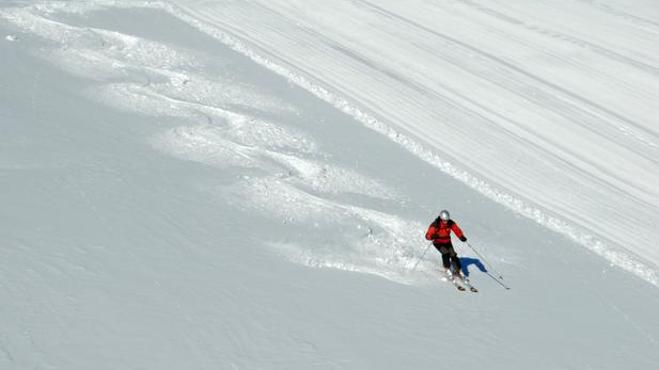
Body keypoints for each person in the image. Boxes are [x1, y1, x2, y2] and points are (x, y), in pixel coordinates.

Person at [425, 210, 467, 277]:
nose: (446, 222)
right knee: (445, 253)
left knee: (453, 254)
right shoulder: (435, 224)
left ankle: (458, 269)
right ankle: (447, 268)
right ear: (441, 219)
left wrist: (461, 236)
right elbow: (427, 236)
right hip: (438, 242)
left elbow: (456, 229)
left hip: (447, 241)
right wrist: (432, 236)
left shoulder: (450, 223)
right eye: (444, 220)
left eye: (447, 220)